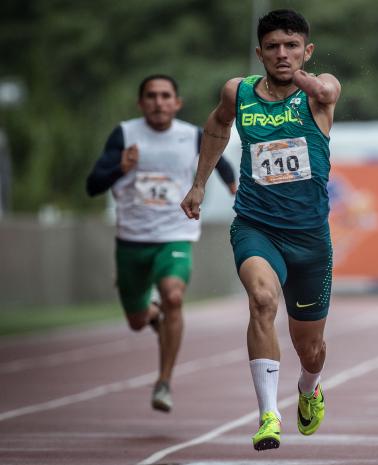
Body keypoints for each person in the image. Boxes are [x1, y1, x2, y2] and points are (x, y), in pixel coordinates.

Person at [180, 9, 340, 451]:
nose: (281, 54)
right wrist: (197, 185)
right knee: (263, 300)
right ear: (259, 53)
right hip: (256, 226)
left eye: (291, 46)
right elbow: (216, 125)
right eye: (272, 47)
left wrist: (298, 76)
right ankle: (268, 415)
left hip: (310, 239)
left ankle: (309, 388)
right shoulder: (239, 91)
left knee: (311, 349)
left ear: (307, 51)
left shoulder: (319, 92)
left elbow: (326, 89)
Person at [86, 74, 237, 412]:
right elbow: (92, 185)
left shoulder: (192, 135)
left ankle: (164, 381)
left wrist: (233, 186)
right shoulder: (125, 135)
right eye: (151, 96)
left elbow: (221, 162)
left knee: (173, 295)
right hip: (132, 241)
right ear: (141, 103)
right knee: (137, 321)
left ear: (177, 102)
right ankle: (151, 316)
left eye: (165, 96)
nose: (158, 102)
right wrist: (119, 168)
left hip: (175, 236)